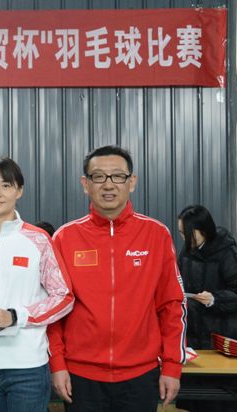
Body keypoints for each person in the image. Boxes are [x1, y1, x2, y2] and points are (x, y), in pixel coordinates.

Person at [48, 145, 186, 412]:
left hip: (141, 375)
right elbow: (54, 310)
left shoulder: (156, 235)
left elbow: (172, 305)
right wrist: (58, 364)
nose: (108, 185)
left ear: (131, 182)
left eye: (118, 176)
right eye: (98, 176)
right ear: (85, 184)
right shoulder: (65, 238)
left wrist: (172, 366)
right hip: (81, 377)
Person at [0, 156, 74, 412]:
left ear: (19, 191)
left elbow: (63, 296)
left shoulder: (38, 240)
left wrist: (15, 316)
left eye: (6, 185)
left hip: (27, 367)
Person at [178, 205, 237, 348]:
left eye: (188, 233)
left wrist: (214, 299)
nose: (184, 238)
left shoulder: (227, 252)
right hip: (191, 335)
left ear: (204, 229)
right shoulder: (186, 251)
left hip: (220, 338)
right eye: (181, 233)